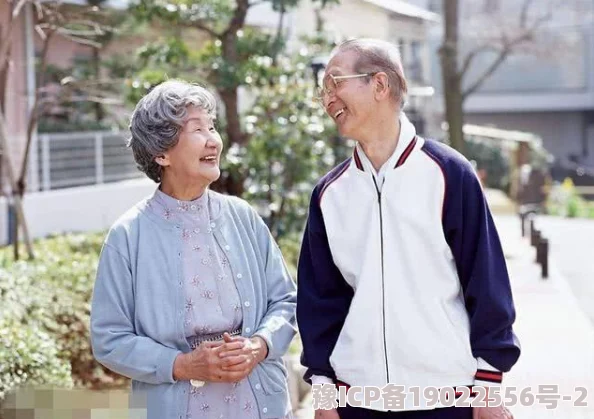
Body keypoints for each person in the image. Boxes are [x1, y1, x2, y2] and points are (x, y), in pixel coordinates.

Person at [296, 38, 520, 419]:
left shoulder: (450, 174)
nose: (327, 98)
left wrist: (488, 386)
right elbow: (319, 301)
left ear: (380, 85)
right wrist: (323, 392)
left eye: (335, 83)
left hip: (446, 399)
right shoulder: (329, 194)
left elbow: (486, 281)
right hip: (356, 401)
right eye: (323, 90)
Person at [90, 80, 296, 419]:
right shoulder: (128, 235)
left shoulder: (242, 216)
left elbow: (286, 301)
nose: (213, 139)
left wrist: (258, 346)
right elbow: (109, 338)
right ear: (161, 152)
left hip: (262, 404)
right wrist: (184, 365)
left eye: (212, 126)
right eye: (197, 129)